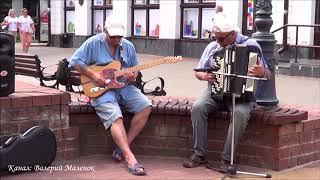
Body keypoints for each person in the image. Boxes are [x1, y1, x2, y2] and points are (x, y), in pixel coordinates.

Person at [182, 12, 271, 171]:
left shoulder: (251, 46)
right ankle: (199, 154)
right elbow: (197, 71)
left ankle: (226, 159)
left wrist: (261, 72)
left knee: (240, 114)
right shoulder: (212, 47)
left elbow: (268, 74)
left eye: (221, 39)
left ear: (233, 34)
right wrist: (203, 76)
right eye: (215, 37)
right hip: (216, 91)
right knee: (197, 108)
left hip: (243, 95)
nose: (218, 42)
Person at [68, 14, 151, 176]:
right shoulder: (93, 43)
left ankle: (121, 147)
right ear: (105, 31)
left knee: (145, 105)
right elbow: (75, 61)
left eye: (119, 36)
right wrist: (93, 75)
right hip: (100, 89)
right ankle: (130, 157)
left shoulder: (128, 46)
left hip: (123, 87)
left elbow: (134, 73)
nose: (116, 40)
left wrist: (132, 76)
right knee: (115, 116)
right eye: (113, 36)